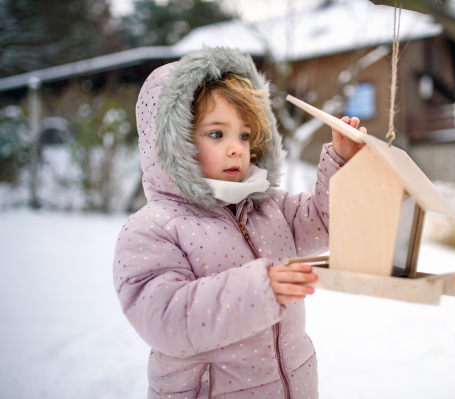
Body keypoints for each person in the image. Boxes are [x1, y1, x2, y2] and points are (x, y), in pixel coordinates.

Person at [113, 46, 366, 399]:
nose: (236, 149)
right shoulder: (154, 229)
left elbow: (325, 223)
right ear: (173, 143)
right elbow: (166, 318)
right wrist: (259, 290)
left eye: (244, 135)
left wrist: (341, 160)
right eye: (217, 134)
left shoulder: (269, 207)